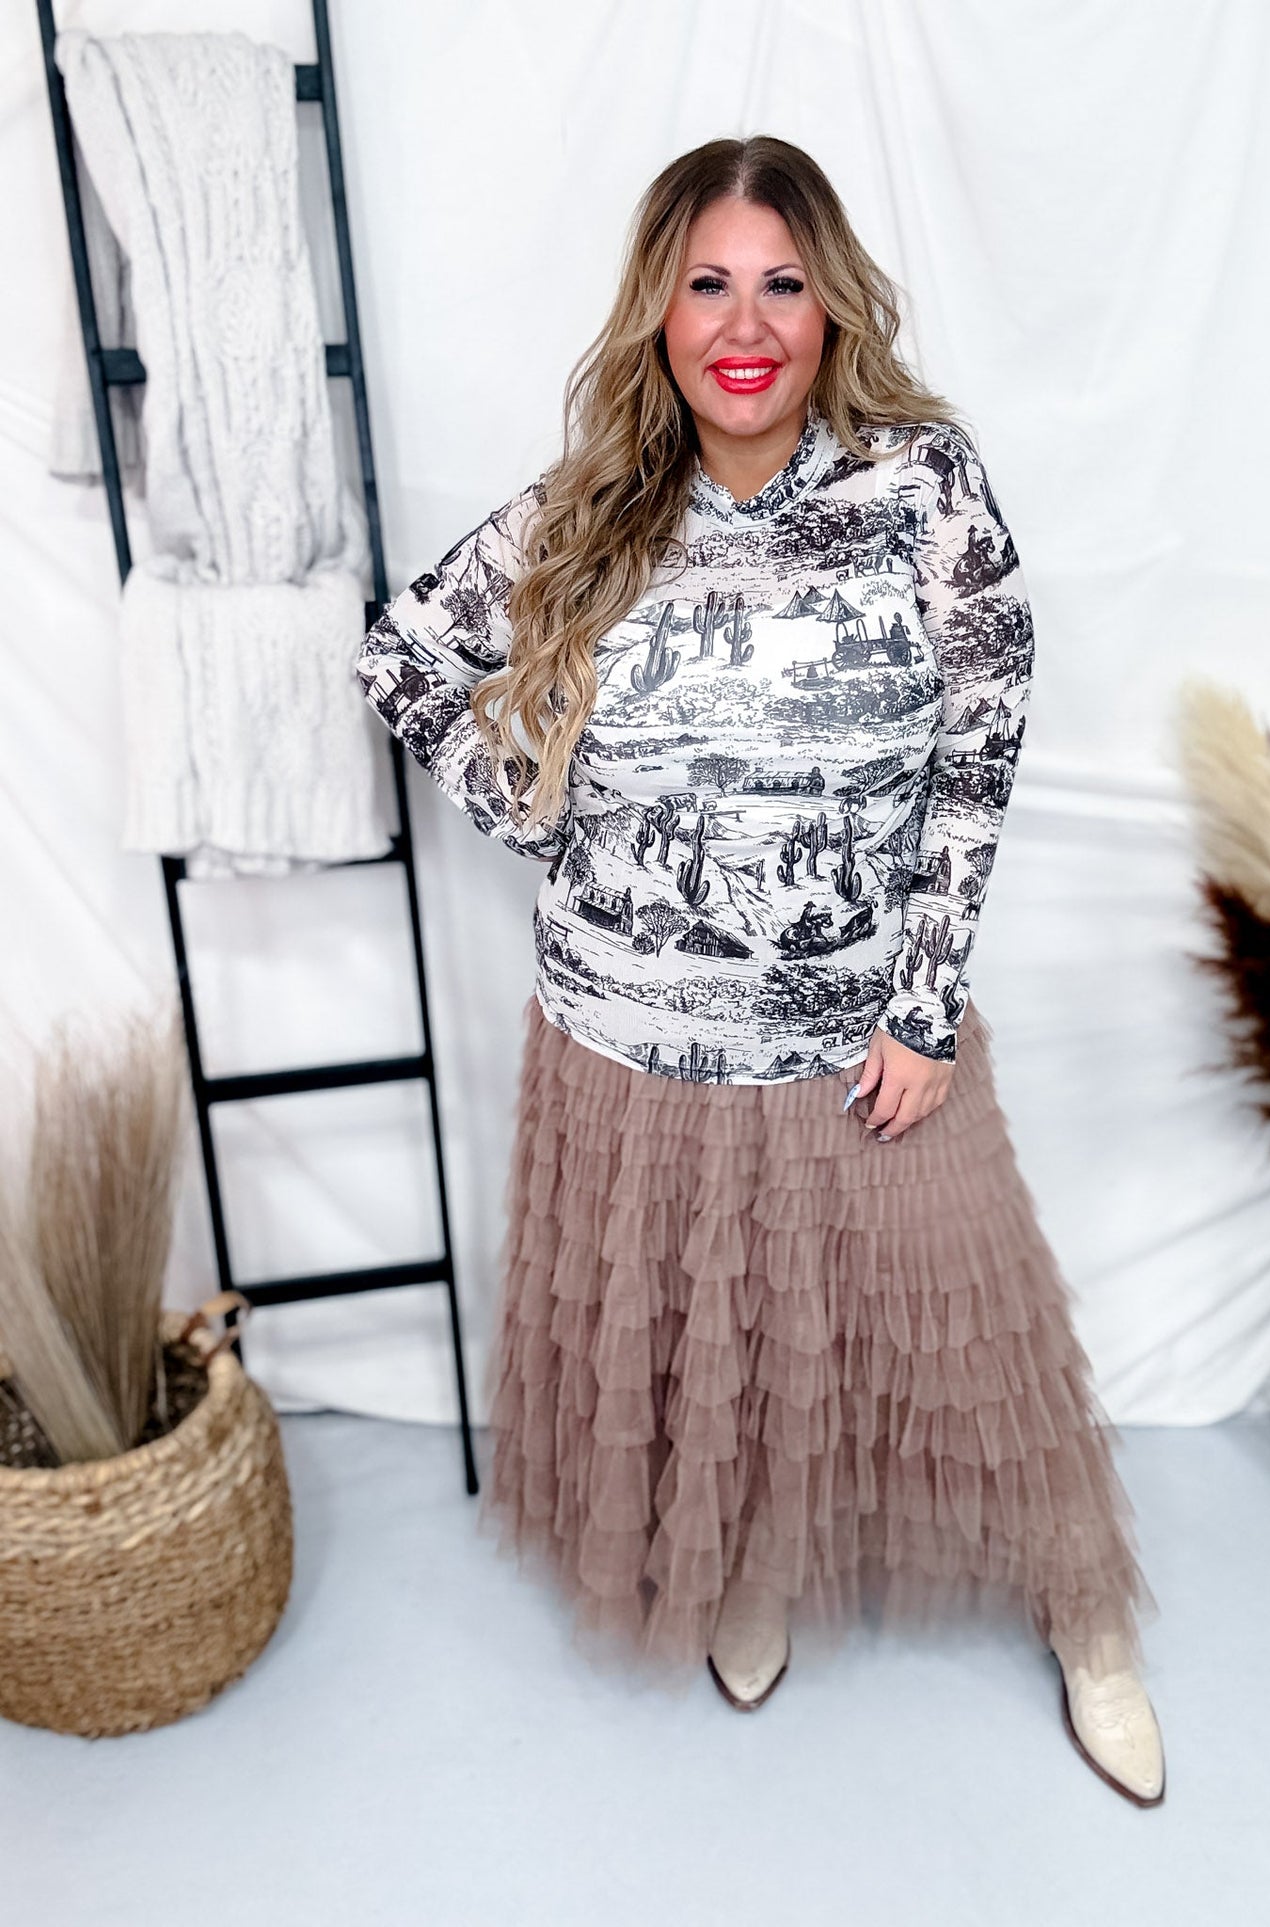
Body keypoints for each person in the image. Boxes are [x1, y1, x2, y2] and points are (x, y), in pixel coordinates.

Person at [356, 135, 1166, 1807]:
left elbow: (979, 744)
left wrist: (923, 1004)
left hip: (862, 1028)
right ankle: (752, 1565)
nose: (746, 324)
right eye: (708, 284)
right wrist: (545, 815)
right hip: (629, 1035)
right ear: (657, 311)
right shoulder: (590, 507)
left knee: (971, 1325)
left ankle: (1086, 1615)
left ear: (830, 306)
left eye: (782, 285)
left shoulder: (919, 483)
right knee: (724, 1331)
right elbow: (401, 656)